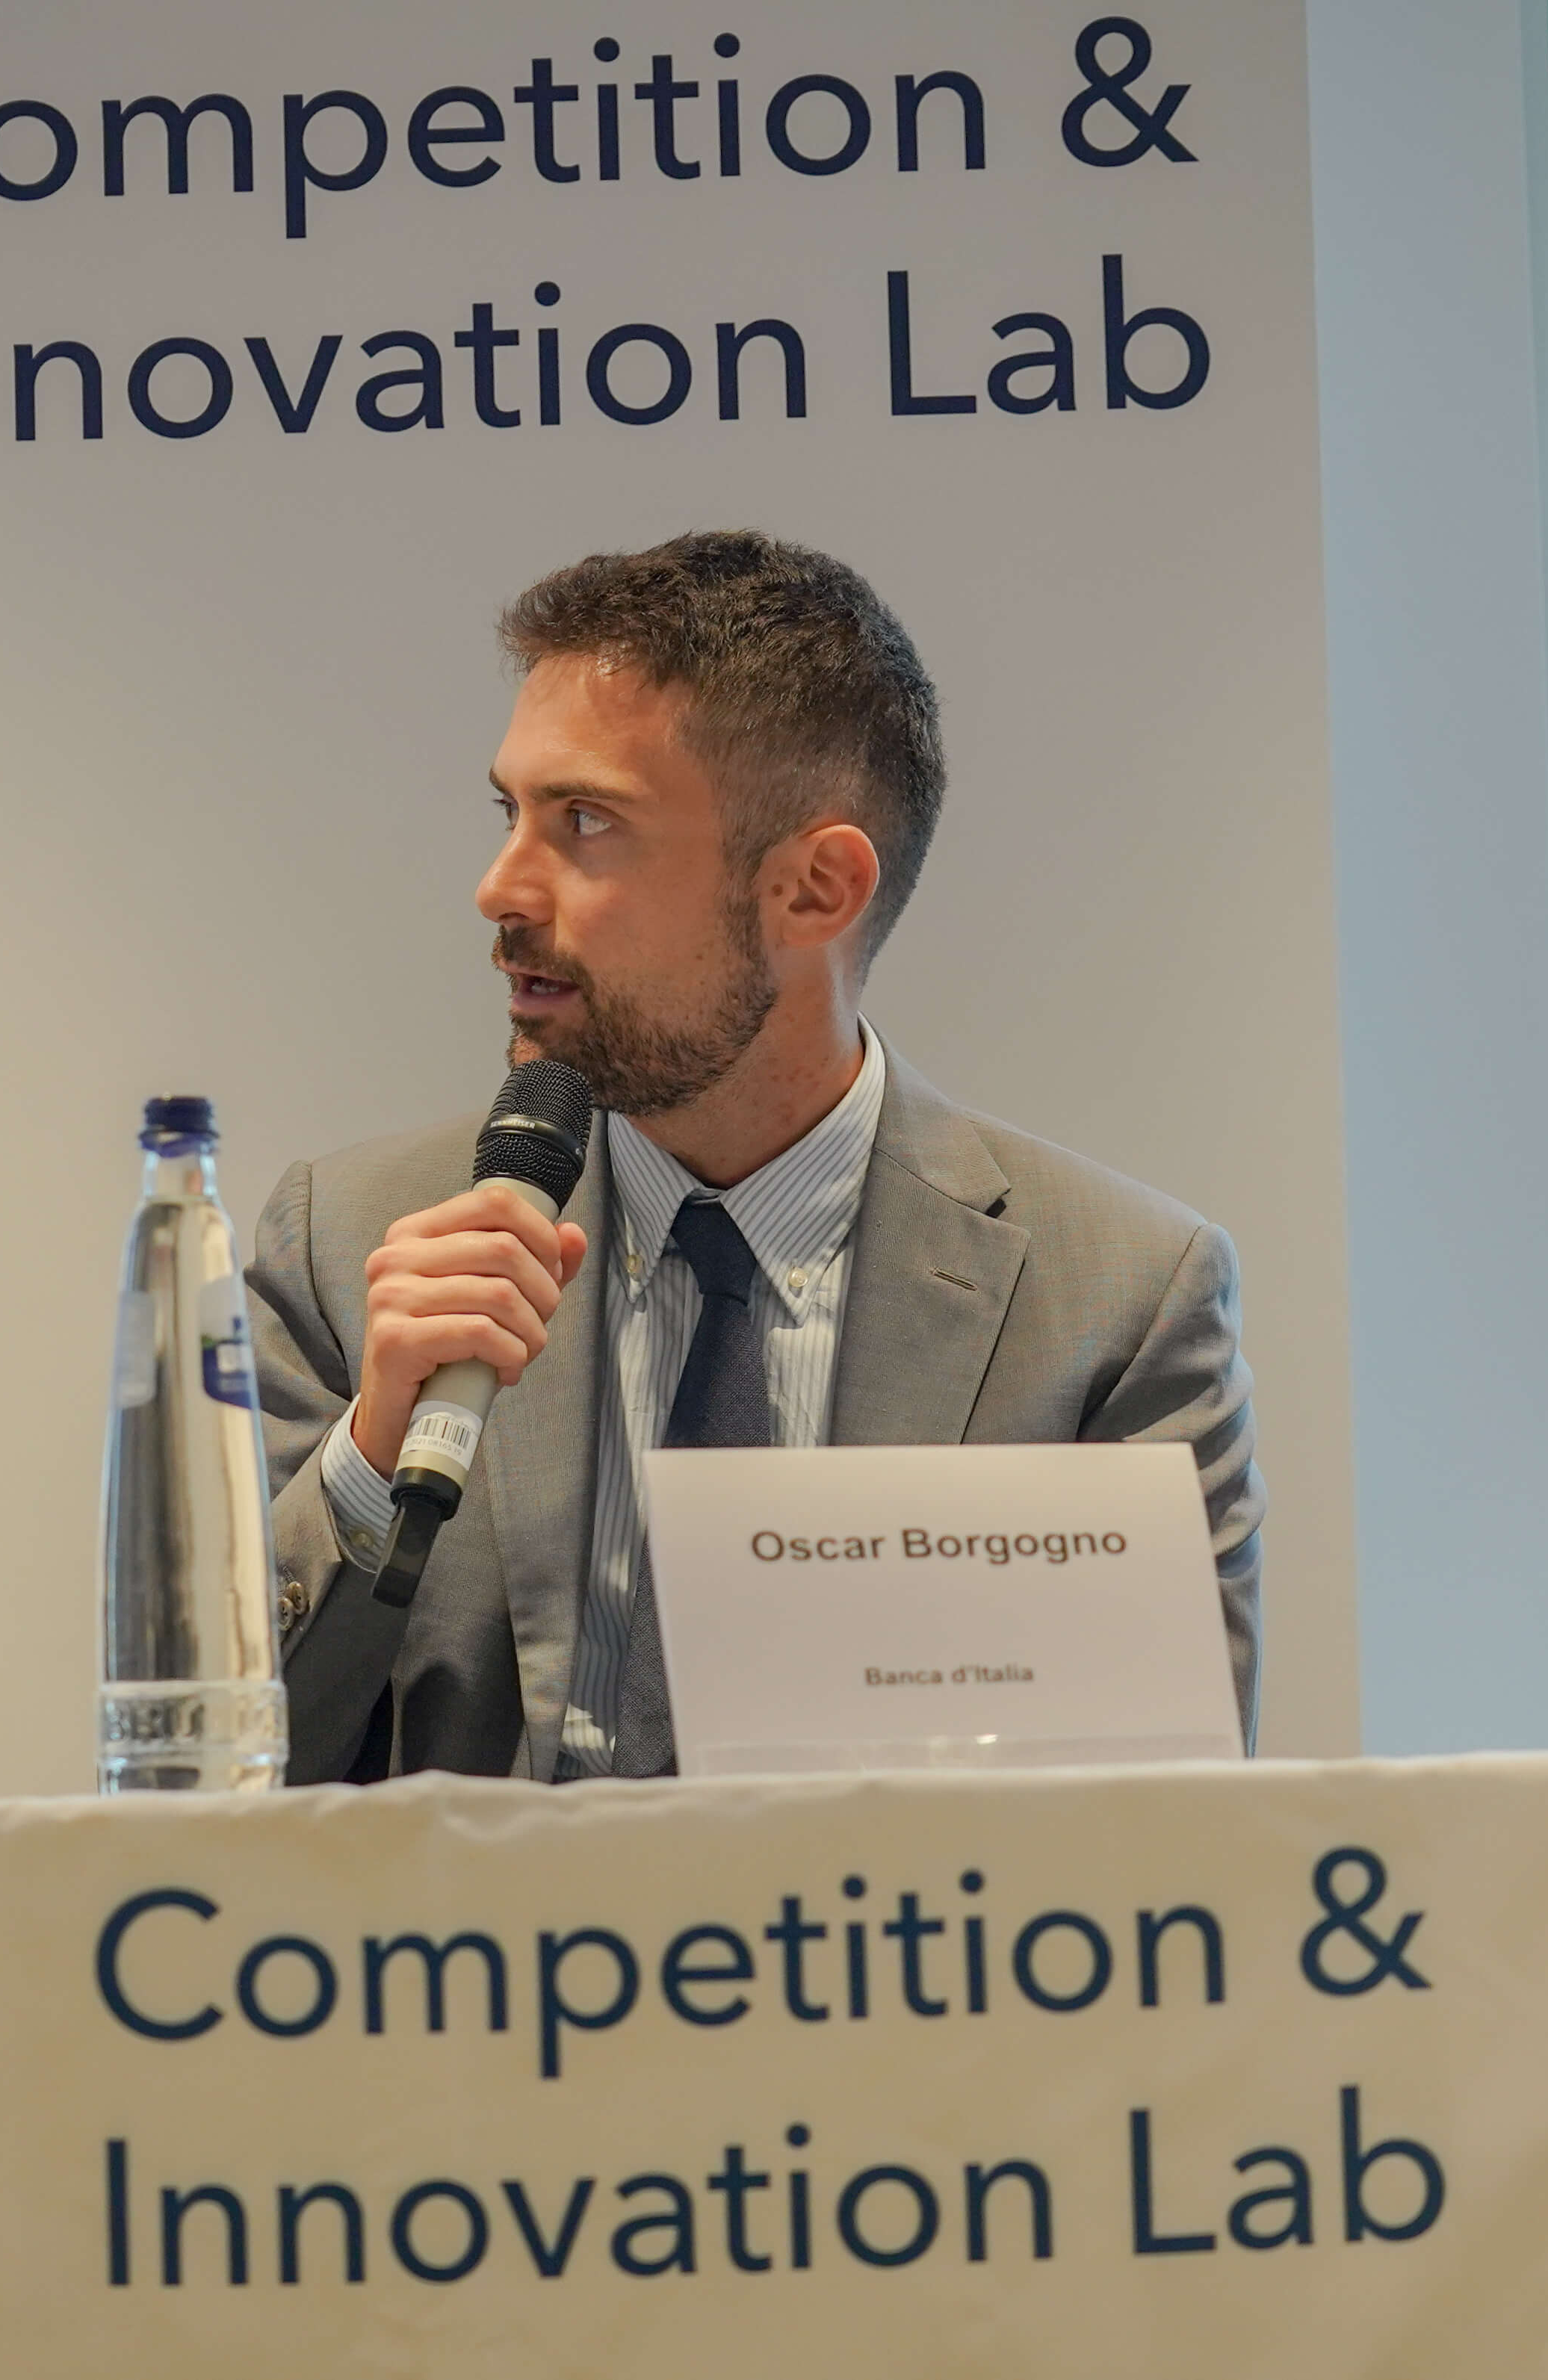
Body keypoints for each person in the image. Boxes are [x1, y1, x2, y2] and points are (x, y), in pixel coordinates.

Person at [248, 530, 1264, 1784]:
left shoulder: (1114, 1305)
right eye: (509, 812)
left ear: (815, 890)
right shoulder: (348, 1252)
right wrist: (366, 1457)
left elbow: (1160, 1852)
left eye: (583, 824)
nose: (500, 888)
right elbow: (208, 1780)